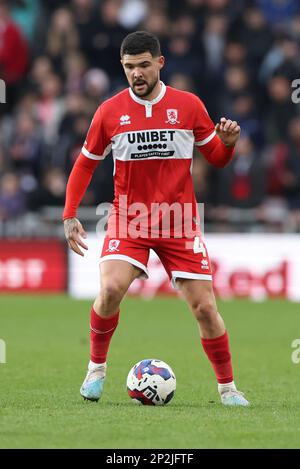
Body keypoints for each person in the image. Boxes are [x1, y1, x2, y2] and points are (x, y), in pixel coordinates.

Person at [63, 31, 249, 406]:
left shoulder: (189, 105)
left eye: (144, 65)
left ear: (160, 63)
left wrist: (227, 143)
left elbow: (215, 156)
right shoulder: (109, 112)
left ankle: (228, 389)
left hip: (179, 220)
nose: (137, 74)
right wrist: (69, 215)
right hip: (128, 218)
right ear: (122, 66)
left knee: (205, 308)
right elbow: (85, 164)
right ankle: (96, 369)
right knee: (111, 289)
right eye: (130, 67)